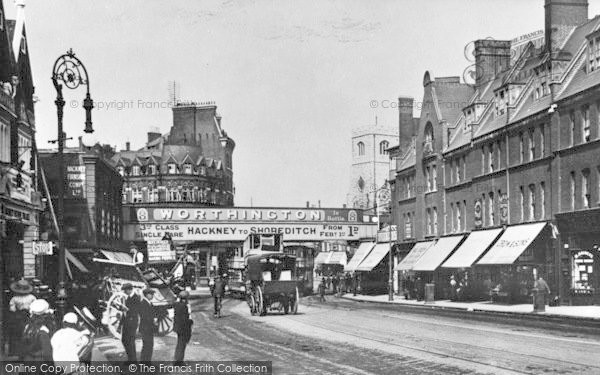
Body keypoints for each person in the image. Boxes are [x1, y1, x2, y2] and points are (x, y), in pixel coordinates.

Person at [8, 278, 36, 356]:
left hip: (21, 316)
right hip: (26, 316)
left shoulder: (15, 298)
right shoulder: (31, 297)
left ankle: (21, 351)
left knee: (20, 333)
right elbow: (35, 307)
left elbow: (12, 309)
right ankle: (26, 351)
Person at [120, 283, 140, 363]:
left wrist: (127, 309)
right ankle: (130, 359)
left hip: (132, 323)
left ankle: (133, 360)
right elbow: (125, 313)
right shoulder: (128, 298)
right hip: (126, 322)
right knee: (124, 340)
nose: (124, 292)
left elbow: (136, 311)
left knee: (130, 341)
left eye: (125, 290)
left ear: (129, 289)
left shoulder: (136, 298)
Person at [173, 291, 193, 364]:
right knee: (182, 345)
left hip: (178, 327)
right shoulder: (184, 306)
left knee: (179, 344)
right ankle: (179, 361)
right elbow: (185, 319)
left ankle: (177, 359)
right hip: (183, 328)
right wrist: (190, 322)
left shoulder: (177, 304)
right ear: (185, 298)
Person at [139, 288, 156, 362]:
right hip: (145, 328)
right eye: (151, 294)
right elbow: (145, 316)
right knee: (147, 346)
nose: (152, 295)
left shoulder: (150, 303)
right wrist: (153, 321)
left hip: (149, 328)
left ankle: (147, 362)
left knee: (149, 346)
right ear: (146, 295)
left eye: (152, 294)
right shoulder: (143, 304)